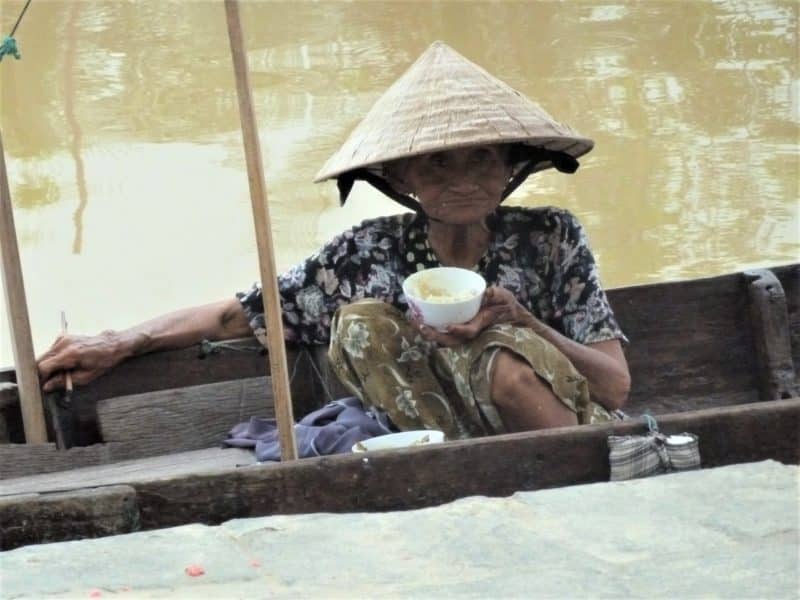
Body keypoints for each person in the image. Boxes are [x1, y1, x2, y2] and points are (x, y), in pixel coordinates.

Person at [37, 42, 630, 440]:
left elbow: (614, 385)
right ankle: (453, 465)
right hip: (446, 435)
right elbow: (237, 315)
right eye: (439, 164)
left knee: (501, 355)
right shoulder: (367, 253)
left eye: (482, 158)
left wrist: (522, 321)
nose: (465, 178)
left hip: (565, 427)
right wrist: (120, 341)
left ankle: (578, 476)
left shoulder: (550, 238)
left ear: (511, 167)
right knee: (359, 323)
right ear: (401, 179)